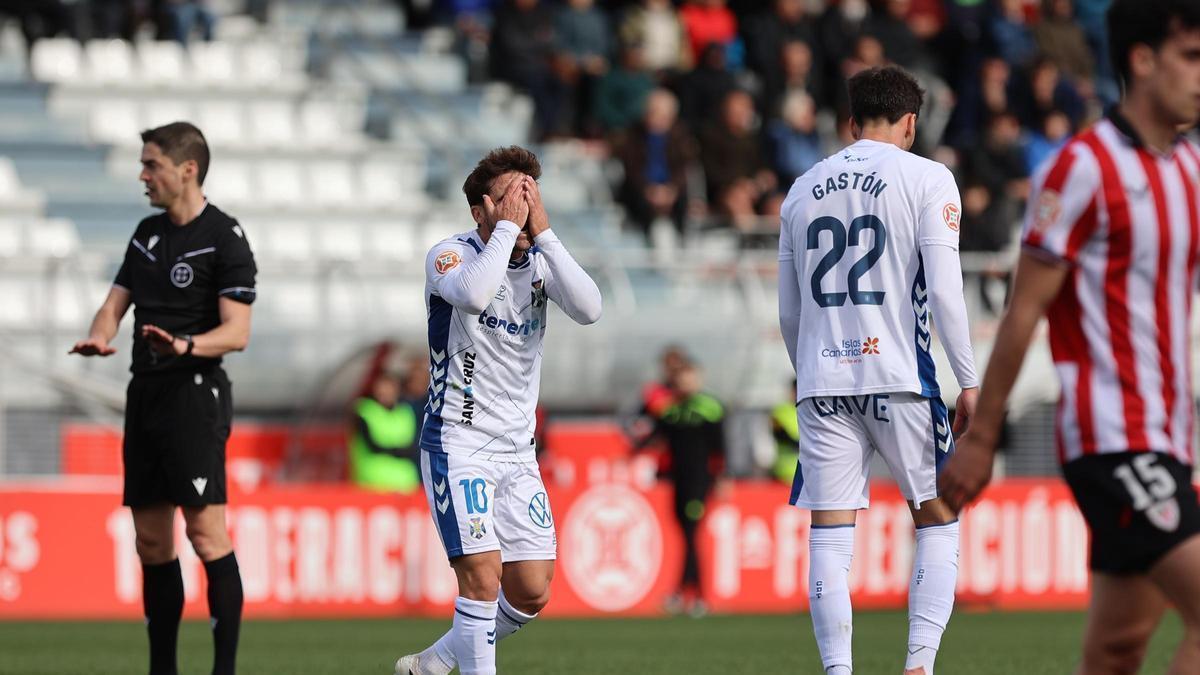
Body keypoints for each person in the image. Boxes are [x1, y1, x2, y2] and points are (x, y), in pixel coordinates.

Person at [940, 1, 1200, 672]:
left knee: (1115, 649)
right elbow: (1024, 311)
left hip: (1169, 438)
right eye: (1192, 58)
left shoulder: (1188, 169)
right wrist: (982, 437)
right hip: (1113, 437)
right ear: (1142, 61)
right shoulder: (1082, 167)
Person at [777, 66, 978, 675]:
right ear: (911, 122)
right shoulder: (928, 177)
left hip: (821, 381)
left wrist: (811, 370)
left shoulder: (802, 188)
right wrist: (969, 379)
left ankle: (839, 670)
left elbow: (790, 311)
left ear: (851, 120)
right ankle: (917, 665)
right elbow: (944, 290)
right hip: (900, 376)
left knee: (830, 537)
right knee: (938, 521)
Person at [395, 146, 602, 675]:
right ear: (480, 209)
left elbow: (589, 308)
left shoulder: (540, 260)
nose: (524, 206)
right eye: (512, 196)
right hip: (458, 442)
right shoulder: (450, 255)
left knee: (531, 589)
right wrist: (507, 229)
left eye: (531, 194)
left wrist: (546, 234)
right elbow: (473, 294)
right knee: (482, 576)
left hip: (517, 452)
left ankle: (436, 662)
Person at [69, 121, 256, 675]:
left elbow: (237, 332)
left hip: (194, 395)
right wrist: (100, 335)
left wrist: (185, 344)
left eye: (151, 164)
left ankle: (223, 669)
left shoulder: (225, 237)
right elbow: (114, 303)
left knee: (204, 530)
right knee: (151, 540)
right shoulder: (147, 232)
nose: (142, 175)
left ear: (187, 170)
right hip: (144, 394)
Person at [642, 362, 725, 617]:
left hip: (699, 484)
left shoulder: (710, 408)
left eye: (690, 379)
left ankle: (696, 595)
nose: (685, 384)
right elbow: (654, 437)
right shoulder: (670, 411)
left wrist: (720, 477)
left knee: (691, 535)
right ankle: (683, 593)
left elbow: (720, 448)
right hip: (678, 483)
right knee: (686, 536)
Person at [348, 370, 421, 494]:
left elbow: (413, 446)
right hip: (372, 484)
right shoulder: (365, 411)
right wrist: (398, 450)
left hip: (406, 484)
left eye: (389, 388)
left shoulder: (405, 413)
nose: (385, 393)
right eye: (382, 388)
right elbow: (373, 446)